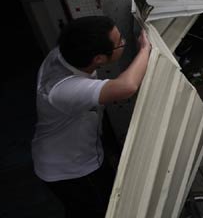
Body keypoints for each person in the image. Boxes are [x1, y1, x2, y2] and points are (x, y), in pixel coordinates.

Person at [31, 16, 151, 218]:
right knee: (98, 209)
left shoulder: (66, 53)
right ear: (99, 59)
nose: (124, 42)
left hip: (68, 152)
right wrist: (145, 50)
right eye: (120, 42)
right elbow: (127, 86)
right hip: (71, 168)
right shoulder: (64, 89)